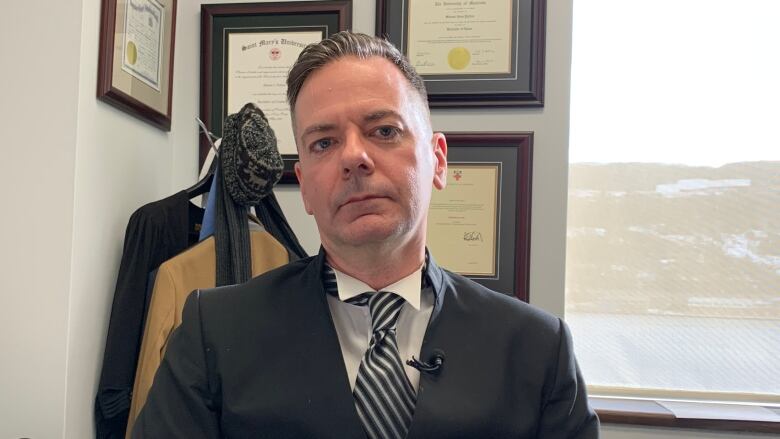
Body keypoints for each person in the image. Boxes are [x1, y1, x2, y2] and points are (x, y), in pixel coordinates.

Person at [132, 31, 600, 439]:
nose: (354, 157)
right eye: (324, 143)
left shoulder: (538, 348)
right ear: (306, 183)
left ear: (438, 160)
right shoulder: (212, 330)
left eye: (384, 130)